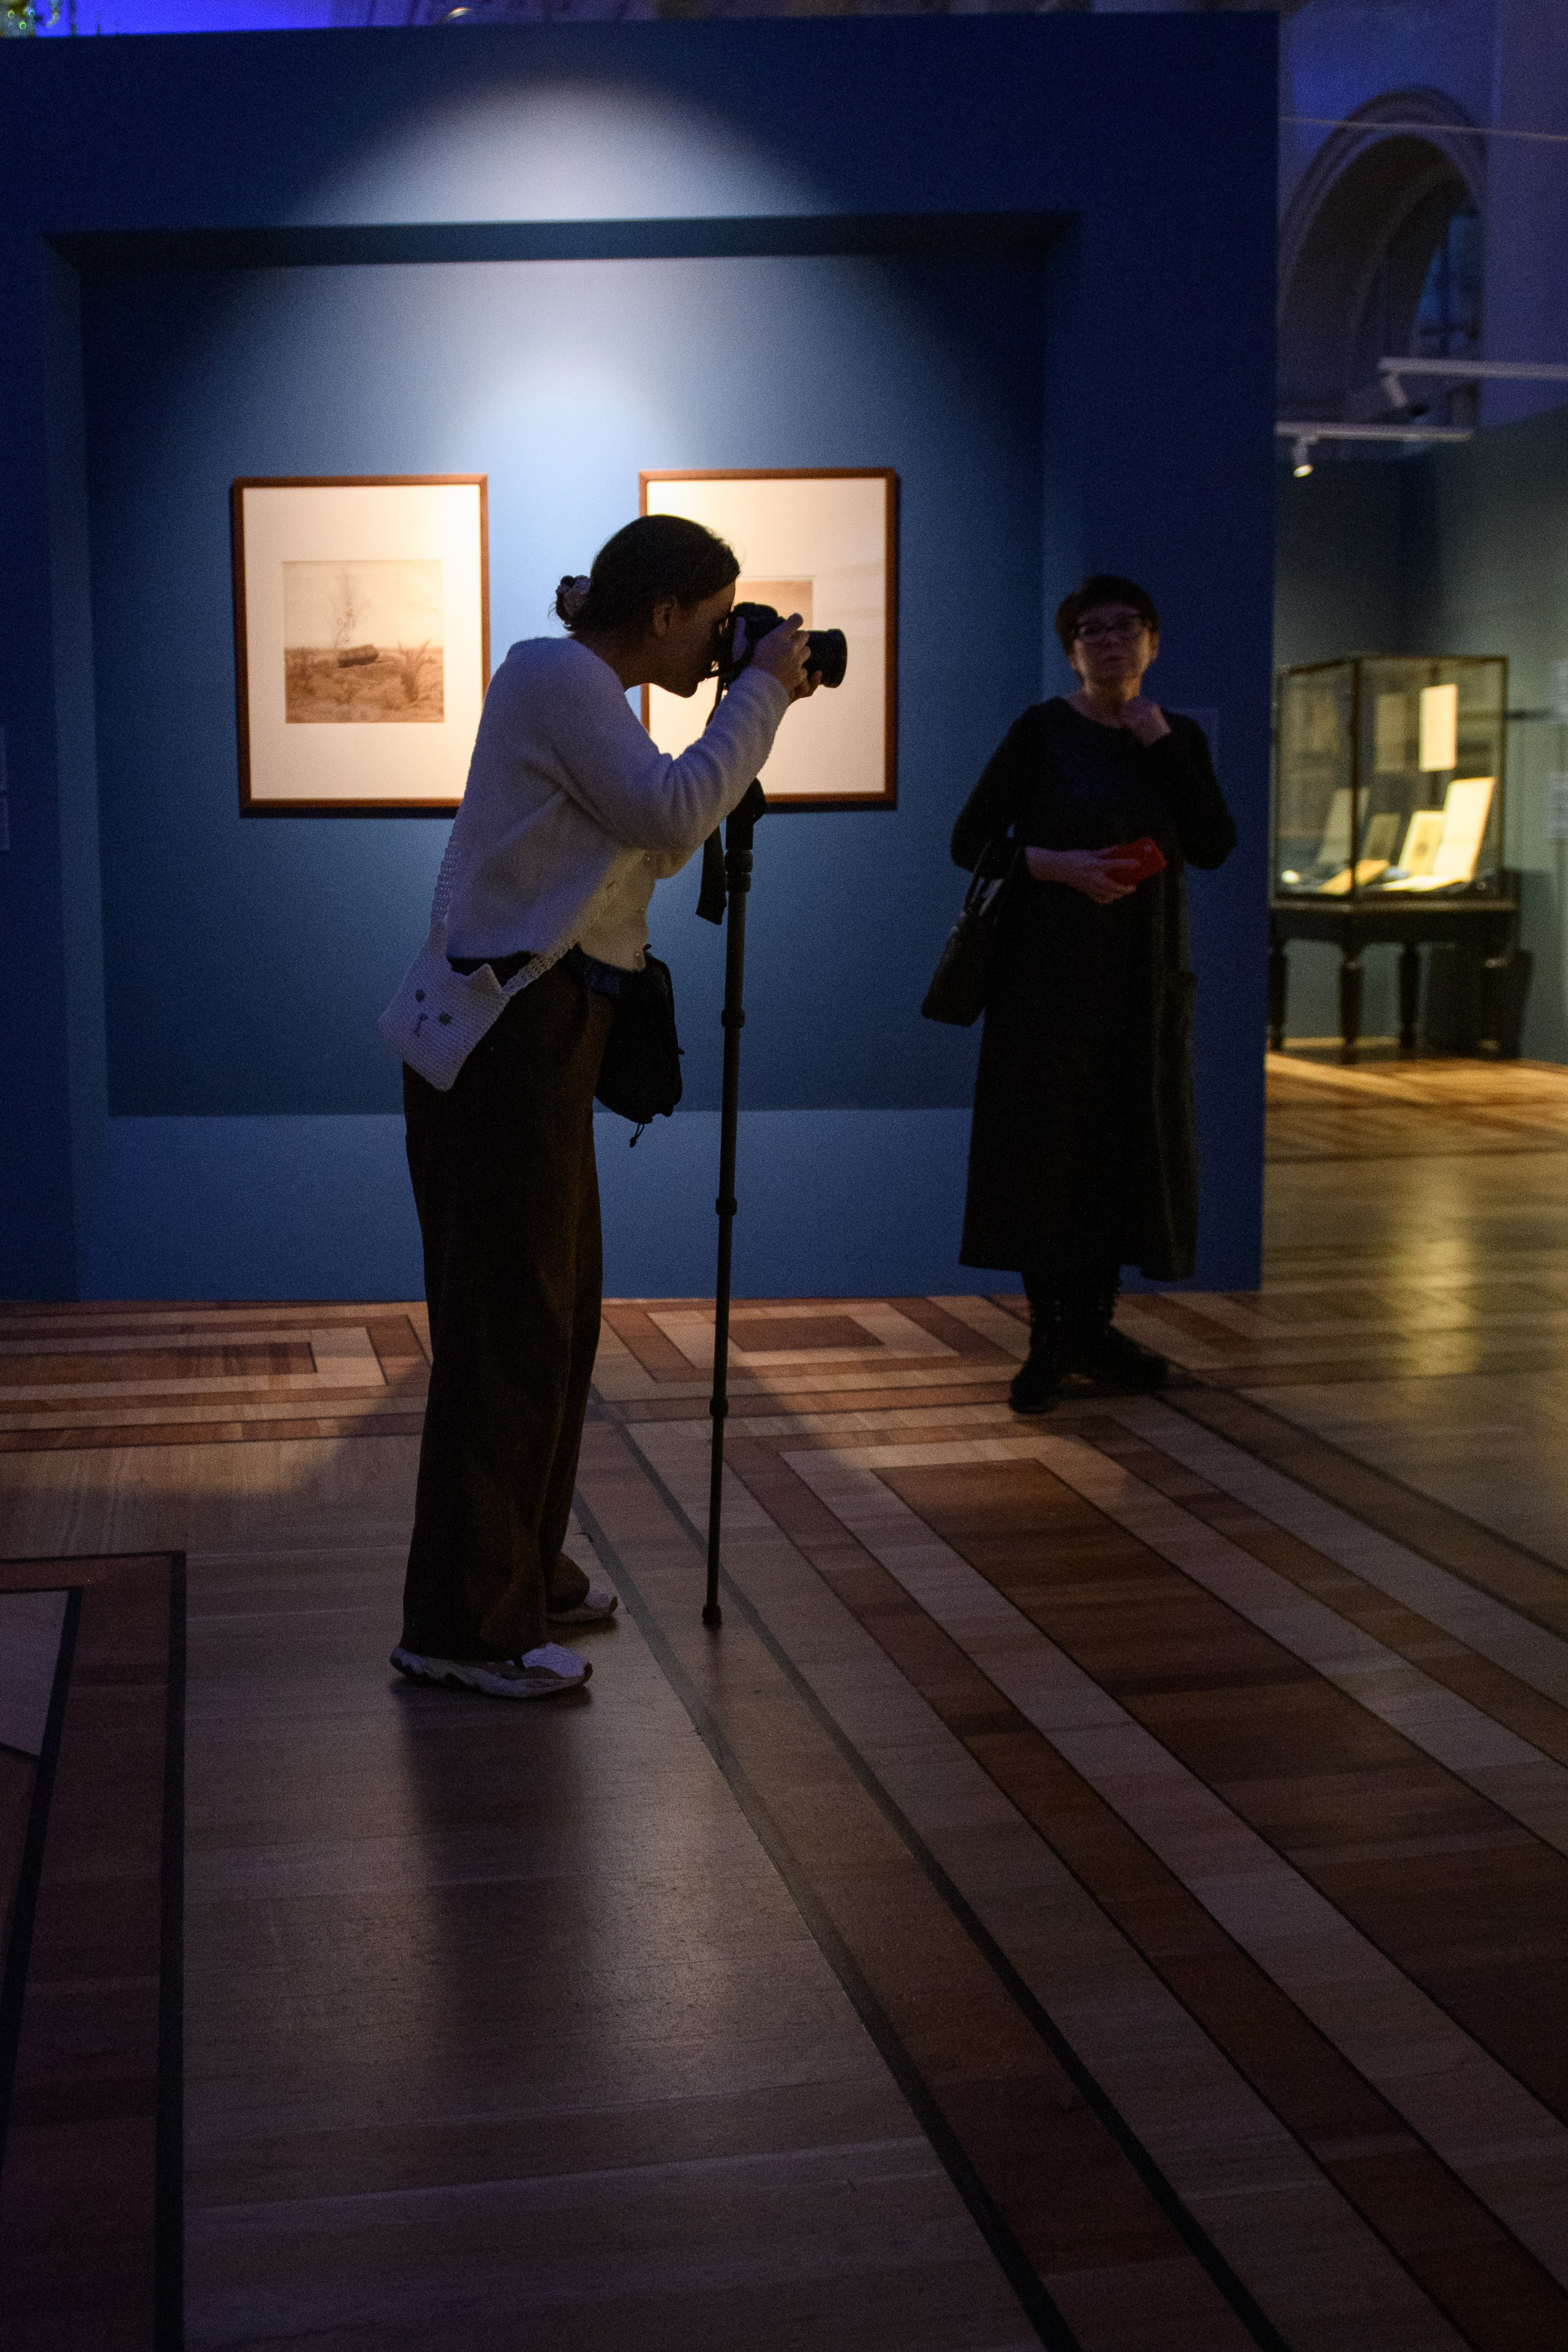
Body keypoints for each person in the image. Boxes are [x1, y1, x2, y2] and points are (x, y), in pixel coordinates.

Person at [387, 515, 816, 1698]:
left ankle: (520, 1564)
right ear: (668, 611)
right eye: (718, 616)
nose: (722, 642)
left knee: (559, 1318)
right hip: (507, 1040)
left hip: (549, 1039)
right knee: (507, 1327)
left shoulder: (583, 689)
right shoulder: (555, 674)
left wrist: (748, 699)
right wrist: (763, 697)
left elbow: (653, 828)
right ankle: (462, 1624)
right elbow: (677, 816)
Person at [950, 574, 1235, 1415]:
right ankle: (1049, 1335)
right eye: (1091, 631)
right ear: (1071, 649)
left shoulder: (1173, 735)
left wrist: (1162, 747)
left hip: (1142, 980)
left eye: (1125, 628)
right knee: (1049, 1152)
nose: (1109, 642)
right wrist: (1059, 867)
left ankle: (1095, 1328)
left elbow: (1215, 844)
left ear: (1152, 640)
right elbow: (969, 840)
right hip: (1047, 977)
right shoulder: (1041, 732)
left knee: (1124, 1147)